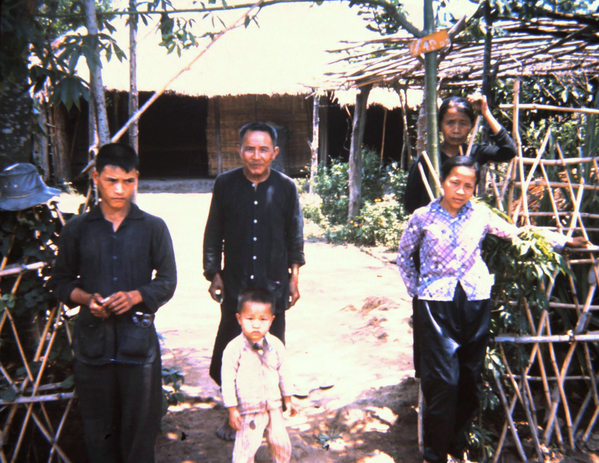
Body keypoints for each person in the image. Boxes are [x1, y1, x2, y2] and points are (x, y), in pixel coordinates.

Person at [397, 156, 589, 463]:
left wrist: (563, 242)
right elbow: (405, 256)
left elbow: (518, 234)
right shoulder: (422, 216)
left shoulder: (481, 215)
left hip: (475, 301)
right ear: (442, 182)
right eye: (454, 183)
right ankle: (434, 455)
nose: (460, 191)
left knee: (470, 379)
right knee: (442, 382)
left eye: (468, 186)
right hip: (435, 305)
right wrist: (417, 292)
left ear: (475, 188)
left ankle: (456, 447)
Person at [49, 143, 177, 463]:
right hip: (93, 343)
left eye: (128, 181)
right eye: (111, 181)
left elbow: (167, 281)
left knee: (140, 427)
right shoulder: (78, 229)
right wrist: (86, 298)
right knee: (98, 427)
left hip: (138, 343)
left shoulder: (153, 227)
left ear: (137, 179)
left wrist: (136, 296)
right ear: (95, 178)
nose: (120, 190)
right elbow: (60, 282)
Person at [203, 121, 305, 440]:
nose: (256, 156)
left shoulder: (286, 187)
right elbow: (214, 232)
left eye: (263, 149)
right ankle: (233, 415)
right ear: (239, 151)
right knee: (230, 349)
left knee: (270, 352)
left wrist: (294, 278)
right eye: (250, 149)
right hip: (236, 286)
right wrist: (213, 272)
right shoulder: (225, 184)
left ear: (274, 153)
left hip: (273, 286)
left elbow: (295, 236)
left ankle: (267, 416)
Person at [405, 93, 517, 378]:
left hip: (468, 245)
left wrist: (486, 113)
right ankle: (428, 375)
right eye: (450, 122)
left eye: (464, 123)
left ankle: (462, 378)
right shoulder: (427, 160)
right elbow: (411, 206)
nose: (456, 129)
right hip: (434, 248)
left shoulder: (475, 153)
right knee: (427, 315)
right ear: (440, 125)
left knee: (466, 315)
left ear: (470, 125)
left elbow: (509, 150)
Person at [221, 288, 297, 463]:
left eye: (263, 319)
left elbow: (284, 372)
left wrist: (288, 399)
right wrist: (232, 409)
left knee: (281, 444)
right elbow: (227, 381)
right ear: (239, 319)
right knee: (246, 449)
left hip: (274, 406)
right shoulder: (234, 349)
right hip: (249, 409)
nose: (256, 325)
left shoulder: (276, 345)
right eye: (250, 319)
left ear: (271, 320)